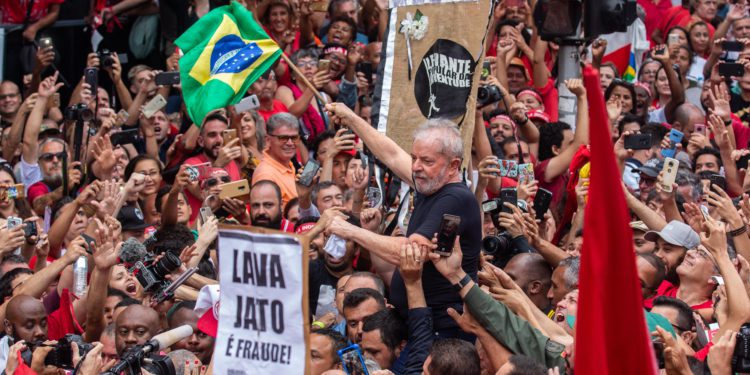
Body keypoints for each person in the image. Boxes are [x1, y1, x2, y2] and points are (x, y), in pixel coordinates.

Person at [324, 103, 482, 339]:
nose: (416, 167)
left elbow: (409, 253)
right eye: (414, 158)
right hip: (419, 324)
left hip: (442, 332)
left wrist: (348, 229)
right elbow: (391, 154)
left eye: (426, 161)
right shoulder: (431, 181)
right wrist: (352, 119)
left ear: (453, 166)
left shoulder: (455, 198)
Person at [252, 113, 301, 207]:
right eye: (283, 138)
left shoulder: (286, 163)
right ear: (268, 140)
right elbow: (270, 216)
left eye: (294, 138)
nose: (290, 143)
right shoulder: (266, 175)